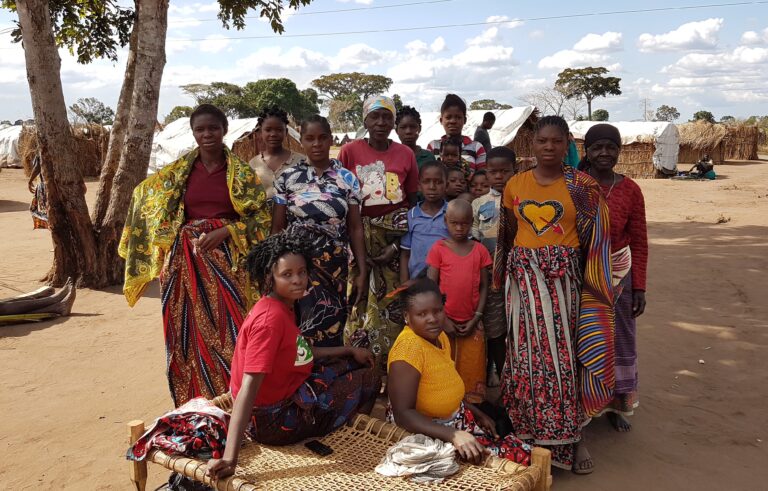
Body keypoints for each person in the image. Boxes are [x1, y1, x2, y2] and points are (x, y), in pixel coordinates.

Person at [119, 104, 271, 407]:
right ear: (193, 133)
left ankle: (236, 402)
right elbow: (144, 194)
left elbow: (262, 218)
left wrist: (227, 231)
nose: (206, 134)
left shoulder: (241, 174)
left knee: (232, 331)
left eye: (212, 128)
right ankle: (195, 404)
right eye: (200, 129)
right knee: (186, 333)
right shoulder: (179, 173)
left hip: (229, 264)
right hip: (185, 263)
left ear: (224, 130)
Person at [494, 116, 614, 474]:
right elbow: (508, 233)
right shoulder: (515, 184)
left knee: (564, 361)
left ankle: (575, 439)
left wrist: (594, 285)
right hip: (523, 284)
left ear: (567, 144)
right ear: (532, 144)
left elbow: (596, 241)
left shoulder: (583, 187)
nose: (549, 147)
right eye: (542, 141)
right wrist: (509, 275)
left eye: (556, 142)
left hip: (564, 285)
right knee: (526, 359)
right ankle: (528, 435)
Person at [205, 232, 380, 479]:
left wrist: (349, 349)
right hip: (273, 422)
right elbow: (248, 387)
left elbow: (300, 353)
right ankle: (346, 438)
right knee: (370, 377)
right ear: (270, 277)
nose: (298, 280)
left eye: (302, 272)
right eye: (287, 275)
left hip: (281, 399)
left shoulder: (279, 306)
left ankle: (335, 419)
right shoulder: (270, 321)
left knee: (351, 363)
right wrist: (229, 458)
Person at [387, 277, 531, 465]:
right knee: (521, 459)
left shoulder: (439, 337)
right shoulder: (409, 349)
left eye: (438, 311)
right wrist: (454, 434)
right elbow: (403, 414)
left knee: (516, 443)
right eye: (421, 314)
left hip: (454, 420)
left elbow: (445, 386)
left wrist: (477, 413)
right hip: (426, 432)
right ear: (407, 316)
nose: (432, 319)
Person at [271, 115, 368, 347]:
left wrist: (361, 270)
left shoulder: (347, 179)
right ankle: (299, 379)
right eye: (310, 138)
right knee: (296, 325)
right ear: (301, 141)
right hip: (296, 267)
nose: (317, 144)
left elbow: (355, 228)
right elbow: (277, 227)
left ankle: (328, 381)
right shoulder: (287, 178)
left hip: (334, 267)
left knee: (331, 322)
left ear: (330, 139)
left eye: (322, 138)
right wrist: (273, 268)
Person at [578, 124, 648, 432]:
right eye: (598, 147)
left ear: (619, 151)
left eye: (611, 147)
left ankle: (617, 405)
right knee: (586, 337)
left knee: (620, 339)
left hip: (621, 273)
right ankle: (585, 404)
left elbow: (640, 240)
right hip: (583, 274)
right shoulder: (576, 186)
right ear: (587, 152)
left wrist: (640, 287)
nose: (604, 153)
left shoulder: (630, 189)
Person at [339, 95, 419, 366]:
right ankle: (360, 366)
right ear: (365, 120)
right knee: (357, 300)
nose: (381, 122)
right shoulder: (349, 151)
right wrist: (357, 252)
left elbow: (411, 205)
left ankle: (390, 366)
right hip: (357, 241)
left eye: (387, 116)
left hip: (394, 244)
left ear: (394, 121)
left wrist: (396, 247)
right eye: (375, 116)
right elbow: (341, 200)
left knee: (391, 306)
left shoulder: (405, 154)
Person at [427, 199, 492, 404]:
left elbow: (484, 286)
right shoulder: (439, 248)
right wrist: (443, 319)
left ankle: (472, 412)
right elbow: (431, 287)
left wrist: (476, 318)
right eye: (454, 223)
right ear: (446, 221)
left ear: (471, 222)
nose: (459, 228)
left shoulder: (479, 250)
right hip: (444, 323)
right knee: (444, 368)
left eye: (464, 223)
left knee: (472, 368)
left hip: (473, 322)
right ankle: (446, 407)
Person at [471, 147, 516, 385]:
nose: (499, 176)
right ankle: (495, 371)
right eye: (493, 172)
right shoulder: (478, 204)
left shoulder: (521, 199)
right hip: (491, 278)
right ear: (486, 173)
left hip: (518, 277)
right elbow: (474, 238)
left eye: (504, 171)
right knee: (494, 328)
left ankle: (513, 375)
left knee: (516, 327)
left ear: (514, 171)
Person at [400, 161, 449, 283]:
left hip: (447, 281)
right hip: (417, 282)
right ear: (419, 186)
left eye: (438, 182)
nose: (432, 187)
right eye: (426, 181)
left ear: (446, 185)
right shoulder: (411, 216)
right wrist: (404, 284)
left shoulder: (453, 213)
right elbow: (405, 254)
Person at [248, 106, 306, 204]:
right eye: (268, 130)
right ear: (261, 133)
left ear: (286, 132)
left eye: (279, 130)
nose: (273, 134)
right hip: (262, 218)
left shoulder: (301, 161)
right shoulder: (253, 164)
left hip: (294, 217)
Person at [427, 94, 487, 171]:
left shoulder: (476, 147)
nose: (453, 121)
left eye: (458, 117)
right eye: (448, 117)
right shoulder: (433, 146)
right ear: (441, 120)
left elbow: (482, 177)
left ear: (465, 120)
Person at [396, 105, 437, 171]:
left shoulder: (428, 157)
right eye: (403, 127)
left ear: (419, 129)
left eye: (412, 127)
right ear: (396, 130)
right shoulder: (392, 156)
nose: (408, 131)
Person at [27, 150, 48, 229]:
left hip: (47, 185)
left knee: (35, 209)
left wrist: (30, 181)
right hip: (62, 185)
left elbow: (37, 167)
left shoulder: (42, 148)